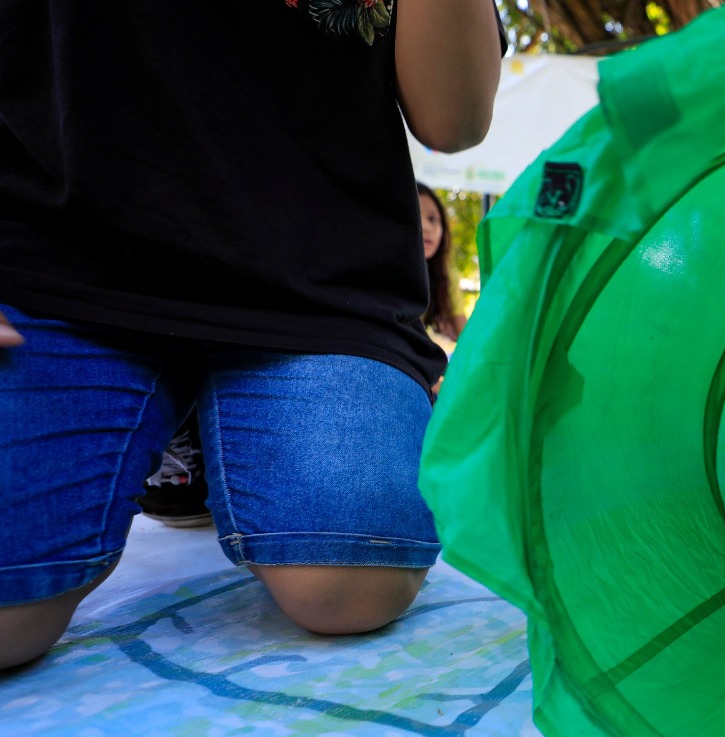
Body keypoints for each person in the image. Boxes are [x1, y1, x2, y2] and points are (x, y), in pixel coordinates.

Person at [0, 0, 505, 671]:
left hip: (317, 282)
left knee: (350, 582)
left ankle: (202, 431)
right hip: (56, 262)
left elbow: (454, 119)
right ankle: (182, 424)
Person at [418, 183, 468, 346]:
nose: (426, 227)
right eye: (415, 216)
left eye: (432, 219)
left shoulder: (447, 276)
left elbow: (466, 339)